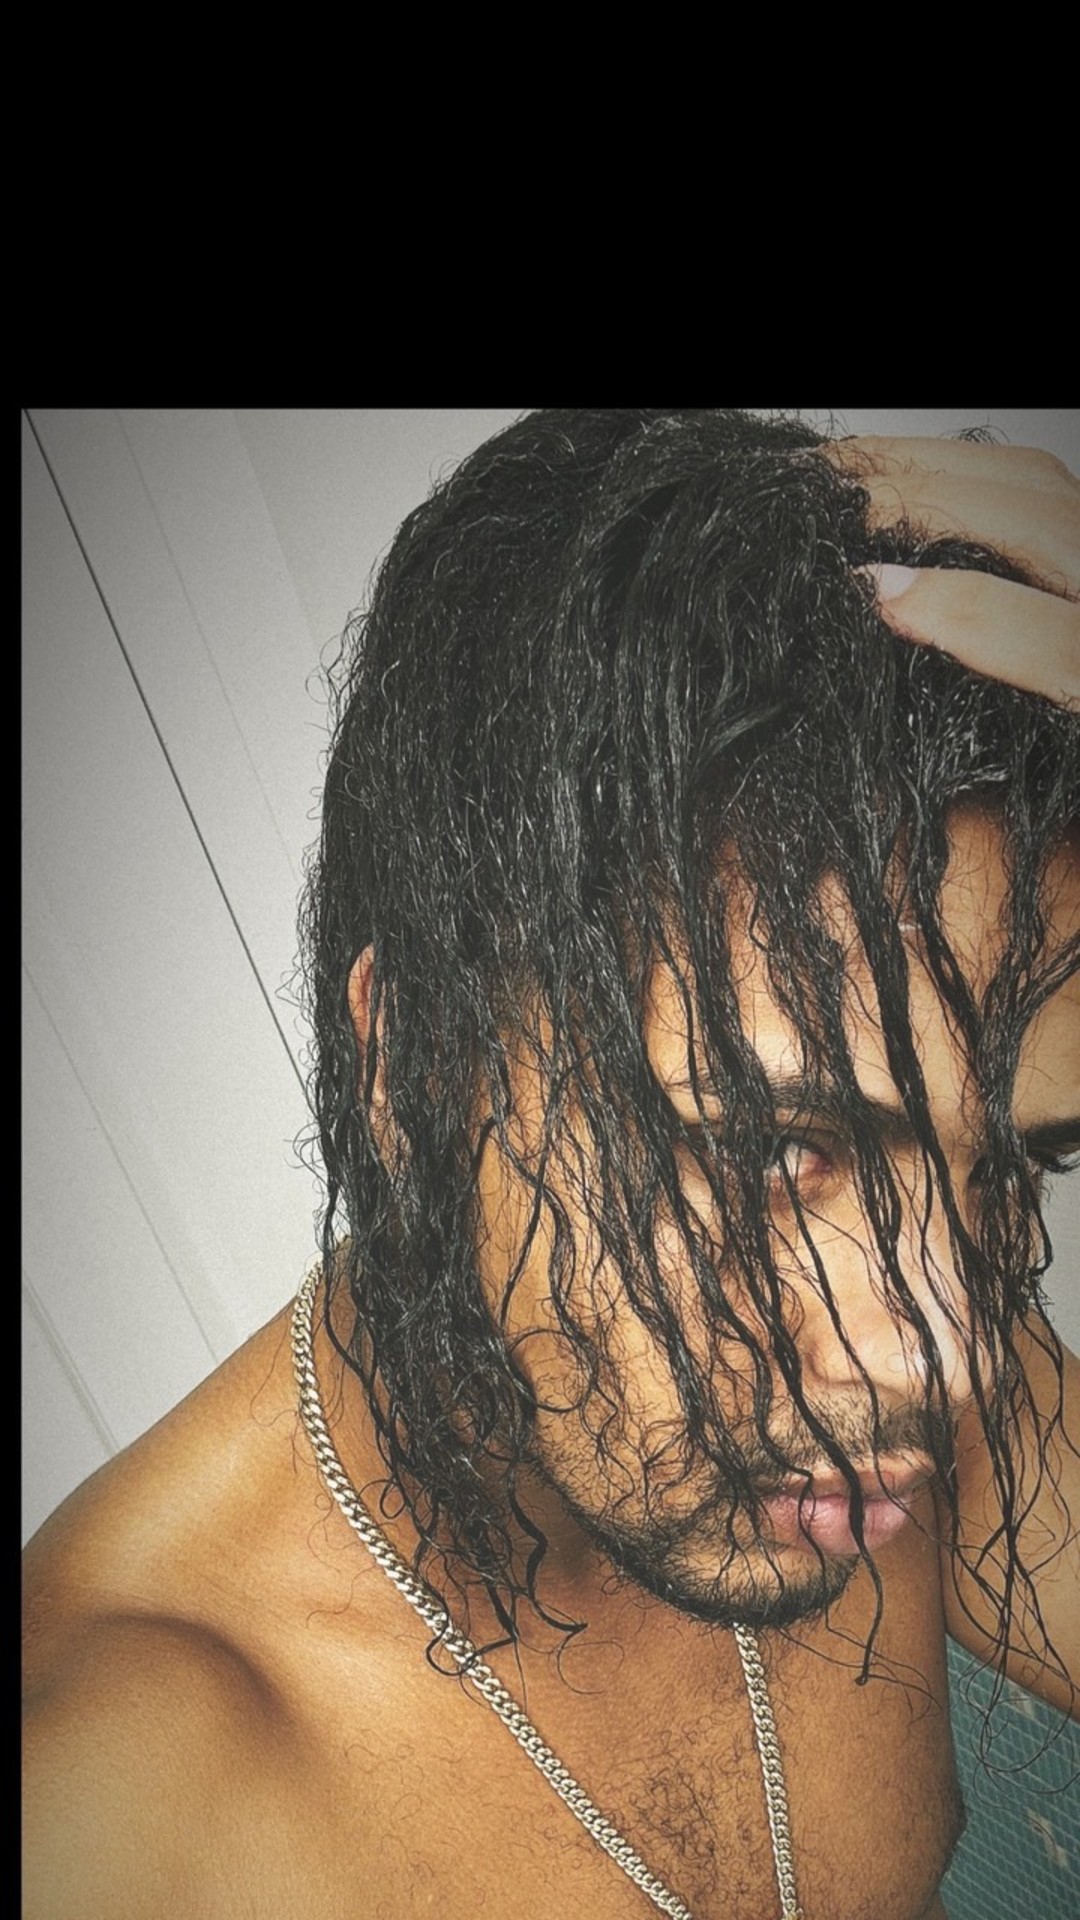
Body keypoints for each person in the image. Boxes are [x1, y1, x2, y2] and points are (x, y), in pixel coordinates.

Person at [22, 411, 1080, 1920]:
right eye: (780, 1150)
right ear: (414, 1067)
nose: (946, 1352)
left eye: (1008, 1170)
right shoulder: (113, 1814)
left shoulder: (894, 1388)